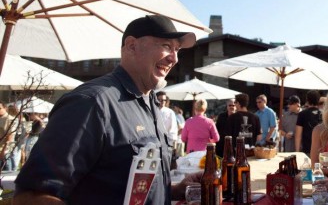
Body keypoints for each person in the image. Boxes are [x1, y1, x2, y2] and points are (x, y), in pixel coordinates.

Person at [13, 14, 197, 205]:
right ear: (132, 46)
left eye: (177, 50)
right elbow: (30, 196)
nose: (174, 58)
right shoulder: (91, 103)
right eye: (166, 46)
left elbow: (128, 186)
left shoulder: (151, 103)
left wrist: (174, 190)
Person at [295, 90, 322, 154]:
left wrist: (297, 152)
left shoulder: (302, 114)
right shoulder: (323, 114)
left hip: (307, 150)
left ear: (307, 100)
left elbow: (298, 135)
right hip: (321, 150)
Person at [0, 101, 15, 171]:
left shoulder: (9, 119)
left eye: (0, 108)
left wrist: (4, 150)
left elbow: (10, 135)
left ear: (5, 108)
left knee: (7, 168)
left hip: (5, 148)